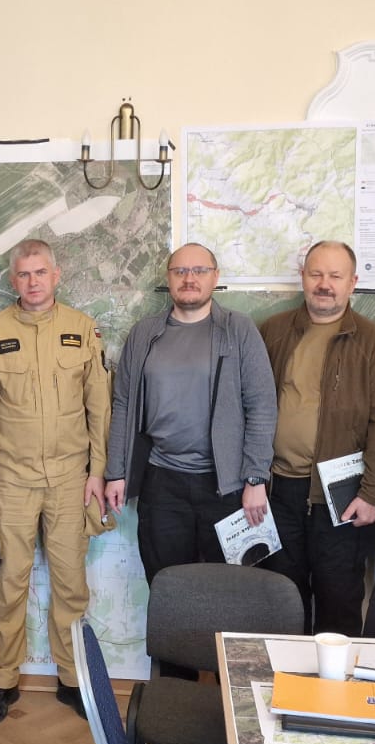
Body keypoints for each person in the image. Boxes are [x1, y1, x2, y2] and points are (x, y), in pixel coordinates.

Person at [0, 239, 110, 724]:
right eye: (24, 274)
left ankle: (72, 680)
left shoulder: (82, 329)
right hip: (13, 480)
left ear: (56, 275)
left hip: (71, 479)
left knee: (71, 585)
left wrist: (97, 472)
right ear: (14, 280)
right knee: (11, 582)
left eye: (40, 272)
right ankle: (2, 681)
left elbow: (99, 407)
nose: (33, 282)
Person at [104, 243, 277, 592]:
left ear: (215, 277)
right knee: (168, 588)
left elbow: (261, 405)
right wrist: (116, 472)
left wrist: (256, 478)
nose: (189, 278)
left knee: (226, 592)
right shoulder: (144, 334)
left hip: (225, 487)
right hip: (161, 484)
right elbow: (123, 403)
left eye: (199, 271)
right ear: (168, 278)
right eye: (180, 271)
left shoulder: (238, 330)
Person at [258, 241, 375, 636]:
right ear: (302, 277)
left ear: (352, 282)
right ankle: (285, 675)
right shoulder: (273, 332)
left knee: (339, 605)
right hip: (278, 492)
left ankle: (333, 679)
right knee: (282, 603)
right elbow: (249, 406)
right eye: (316, 274)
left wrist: (374, 493)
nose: (325, 284)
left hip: (343, 497)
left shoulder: (371, 341)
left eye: (335, 276)